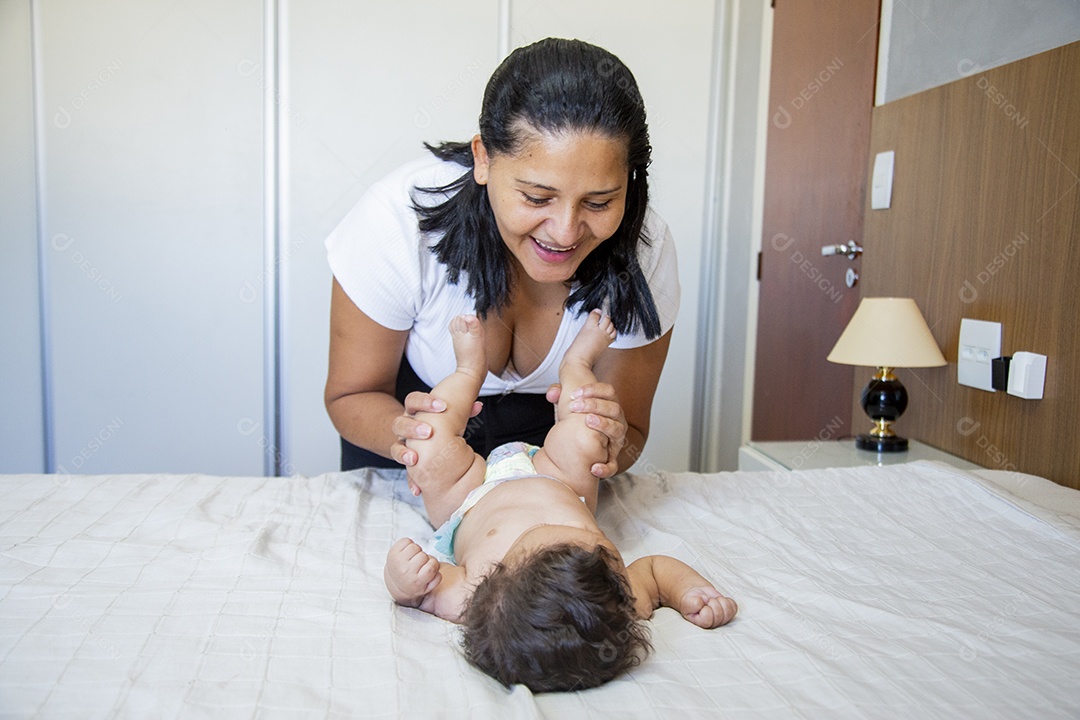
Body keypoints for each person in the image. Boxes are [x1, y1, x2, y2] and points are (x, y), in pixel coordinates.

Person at [324, 37, 680, 482]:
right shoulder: (398, 223)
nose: (565, 231)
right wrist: (410, 437)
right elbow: (351, 395)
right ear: (484, 158)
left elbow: (630, 432)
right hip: (409, 449)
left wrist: (605, 441)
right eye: (536, 197)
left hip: (557, 462)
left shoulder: (645, 250)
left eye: (598, 202)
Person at [384, 312, 737, 692]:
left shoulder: (470, 599)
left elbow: (417, 592)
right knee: (589, 429)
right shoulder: (615, 598)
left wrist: (402, 579)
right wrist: (692, 591)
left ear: (493, 592)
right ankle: (577, 364)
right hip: (557, 477)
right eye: (587, 548)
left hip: (469, 495)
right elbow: (654, 571)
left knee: (426, 443)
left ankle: (468, 370)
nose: (563, 539)